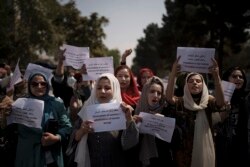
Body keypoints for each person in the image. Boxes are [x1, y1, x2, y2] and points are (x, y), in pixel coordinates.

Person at [165, 57, 225, 167]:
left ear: (203, 85)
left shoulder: (208, 101)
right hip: (184, 153)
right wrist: (173, 73)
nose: (195, 83)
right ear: (186, 85)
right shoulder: (181, 102)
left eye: (198, 81)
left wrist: (216, 77)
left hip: (205, 149)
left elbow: (221, 103)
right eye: (191, 81)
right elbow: (169, 98)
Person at [71, 73, 139, 167]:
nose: (102, 91)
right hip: (91, 161)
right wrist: (83, 130)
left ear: (114, 89)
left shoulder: (123, 110)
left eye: (107, 88)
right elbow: (74, 138)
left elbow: (130, 144)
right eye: (99, 88)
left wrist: (128, 120)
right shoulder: (87, 109)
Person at [15, 72, 72, 167]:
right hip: (27, 157)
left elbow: (67, 127)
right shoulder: (20, 104)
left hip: (50, 158)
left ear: (47, 85)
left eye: (43, 83)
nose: (39, 86)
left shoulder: (56, 103)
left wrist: (56, 137)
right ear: (29, 86)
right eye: (34, 84)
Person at [134, 76, 174, 167]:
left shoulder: (167, 111)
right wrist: (132, 125)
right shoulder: (135, 112)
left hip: (162, 161)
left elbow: (176, 140)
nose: (156, 95)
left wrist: (165, 123)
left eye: (159, 93)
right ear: (145, 93)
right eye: (152, 91)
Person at [214, 66, 249, 167]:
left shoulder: (247, 97)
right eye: (234, 76)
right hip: (224, 145)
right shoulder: (219, 98)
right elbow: (216, 121)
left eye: (240, 77)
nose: (238, 79)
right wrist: (226, 108)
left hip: (243, 145)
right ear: (227, 79)